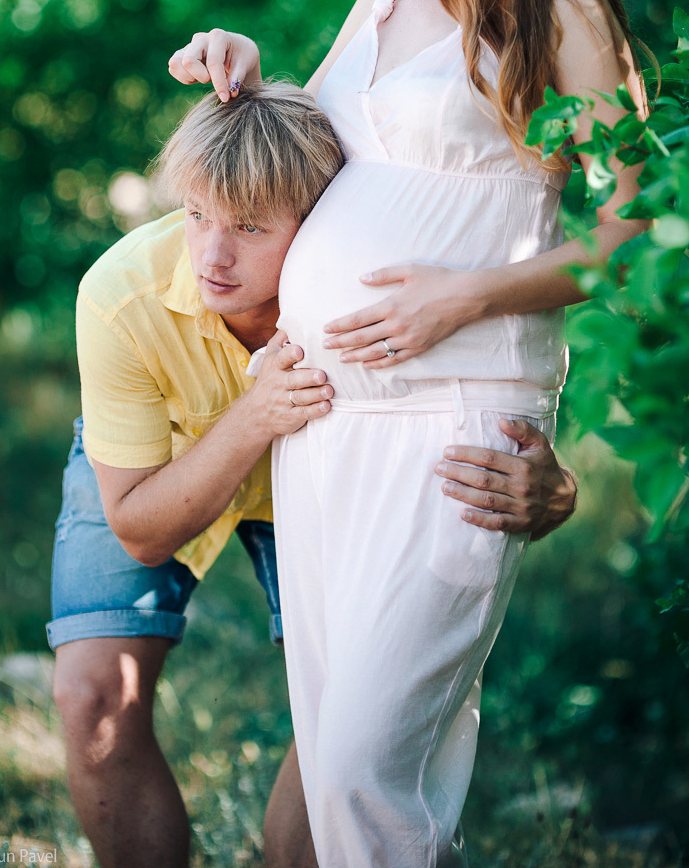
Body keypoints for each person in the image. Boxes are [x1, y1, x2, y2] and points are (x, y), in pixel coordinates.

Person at [168, 0, 648, 866]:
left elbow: (630, 231)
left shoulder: (558, 13)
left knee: (364, 771)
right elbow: (333, 162)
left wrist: (466, 296)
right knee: (342, 757)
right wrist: (249, 71)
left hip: (453, 431)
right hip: (325, 423)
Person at [48, 81, 578, 868]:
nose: (212, 256)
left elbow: (489, 397)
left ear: (326, 218)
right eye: (197, 215)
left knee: (348, 709)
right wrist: (255, 416)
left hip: (326, 473)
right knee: (90, 696)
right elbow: (140, 529)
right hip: (163, 461)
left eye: (251, 227)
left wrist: (557, 492)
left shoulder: (379, 285)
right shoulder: (121, 295)